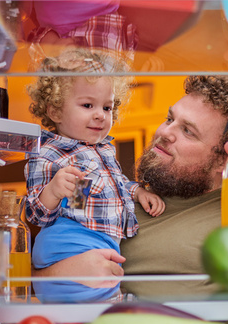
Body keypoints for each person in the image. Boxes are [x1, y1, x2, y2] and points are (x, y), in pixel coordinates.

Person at [33, 75, 228, 299]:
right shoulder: (113, 197)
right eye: (170, 118)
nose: (165, 132)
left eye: (188, 131)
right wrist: (55, 274)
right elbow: (28, 276)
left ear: (223, 159)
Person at [24, 48, 164, 300]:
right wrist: (53, 190)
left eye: (107, 107)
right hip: (71, 241)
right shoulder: (49, 153)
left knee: (103, 284)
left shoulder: (102, 150)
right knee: (95, 295)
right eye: (88, 105)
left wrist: (138, 191)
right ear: (55, 111)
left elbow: (114, 184)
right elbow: (35, 214)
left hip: (101, 240)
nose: (100, 114)